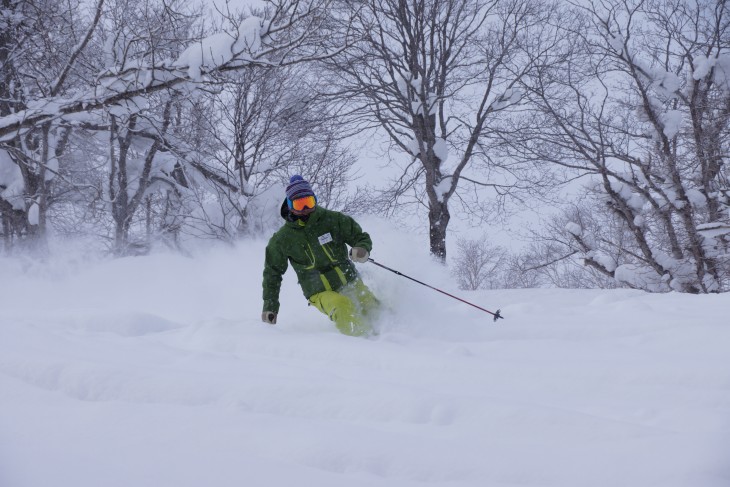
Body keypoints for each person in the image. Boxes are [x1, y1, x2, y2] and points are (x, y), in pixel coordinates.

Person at [262, 175, 379, 337]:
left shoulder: (333, 220)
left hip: (350, 280)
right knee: (341, 305)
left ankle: (397, 336)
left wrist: (361, 249)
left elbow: (361, 237)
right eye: (299, 204)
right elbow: (272, 274)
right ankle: (365, 343)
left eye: (308, 202)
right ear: (289, 205)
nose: (305, 209)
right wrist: (270, 306)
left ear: (315, 200)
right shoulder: (282, 239)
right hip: (319, 291)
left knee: (372, 307)